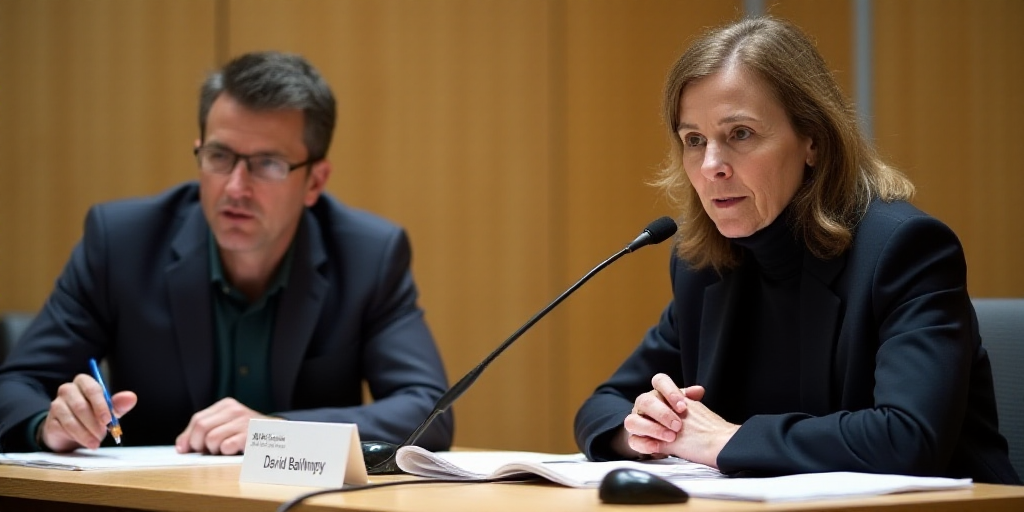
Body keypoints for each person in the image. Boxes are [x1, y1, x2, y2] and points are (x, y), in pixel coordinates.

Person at [574, 16, 1020, 484]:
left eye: (740, 134)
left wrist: (724, 440)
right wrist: (645, 430)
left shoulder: (905, 251)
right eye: (694, 140)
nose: (711, 166)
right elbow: (602, 406)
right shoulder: (703, 263)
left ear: (813, 139)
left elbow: (908, 438)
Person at [0, 51, 453, 455]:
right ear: (199, 152)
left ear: (315, 181)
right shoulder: (121, 243)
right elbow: (13, 387)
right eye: (219, 156)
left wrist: (278, 431)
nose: (236, 187)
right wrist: (48, 425)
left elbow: (428, 408)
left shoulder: (368, 255)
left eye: (267, 164)